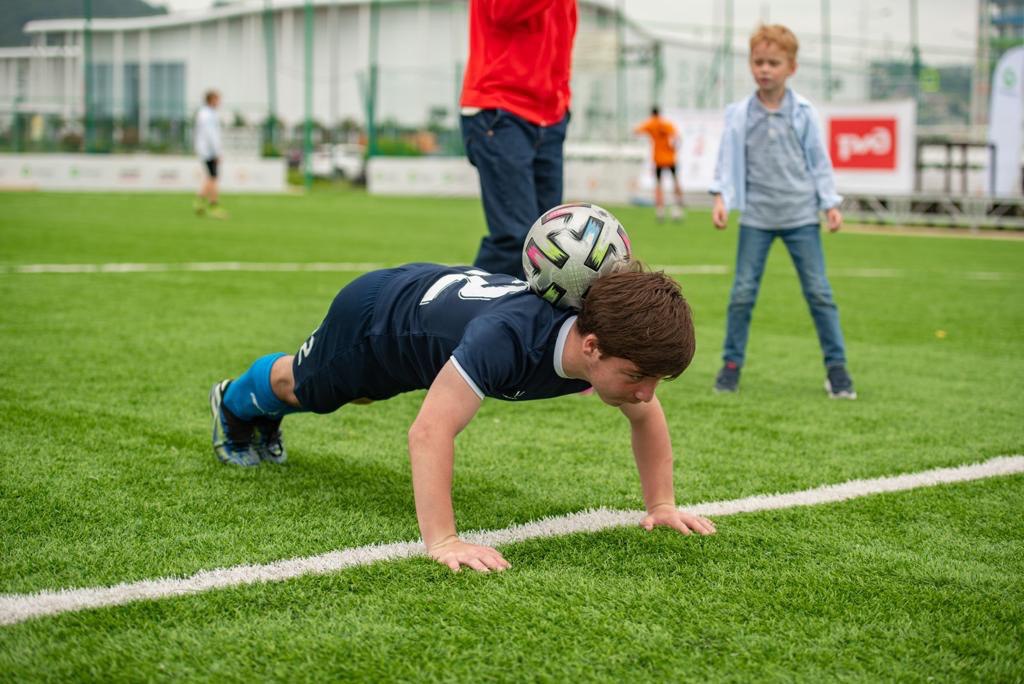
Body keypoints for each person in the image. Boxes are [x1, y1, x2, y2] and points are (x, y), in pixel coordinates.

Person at [208, 263, 716, 572]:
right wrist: (444, 541)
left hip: (428, 323)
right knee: (307, 388)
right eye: (637, 378)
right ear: (591, 347)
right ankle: (233, 402)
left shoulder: (612, 344)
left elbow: (646, 419)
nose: (646, 394)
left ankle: (261, 412)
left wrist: (663, 503)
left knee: (359, 397)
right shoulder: (507, 341)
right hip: (378, 319)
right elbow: (429, 432)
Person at [709, 24, 856, 399]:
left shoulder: (803, 113)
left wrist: (830, 203)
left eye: (773, 62)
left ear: (791, 67)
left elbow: (819, 161)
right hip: (756, 217)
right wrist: (721, 198)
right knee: (742, 293)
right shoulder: (740, 114)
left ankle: (837, 370)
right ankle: (730, 366)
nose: (765, 69)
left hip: (801, 217)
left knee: (819, 292)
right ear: (750, 65)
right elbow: (727, 161)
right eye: (758, 62)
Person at [459, 0, 577, 279]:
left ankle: (526, 322)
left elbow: (562, 40)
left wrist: (561, 102)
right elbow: (503, 10)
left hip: (549, 115)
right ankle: (461, 314)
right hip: (500, 108)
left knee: (548, 244)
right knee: (517, 239)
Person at [634, 107, 685, 222]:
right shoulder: (666, 124)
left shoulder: (651, 124)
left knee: (659, 185)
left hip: (658, 159)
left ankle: (660, 211)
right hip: (670, 158)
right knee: (675, 182)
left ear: (652, 114)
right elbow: (677, 137)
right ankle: (677, 208)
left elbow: (636, 130)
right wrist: (673, 148)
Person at [193, 90, 227, 219]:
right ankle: (214, 207)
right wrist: (217, 152)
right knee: (213, 179)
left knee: (211, 178)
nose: (219, 102)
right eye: (217, 99)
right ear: (211, 100)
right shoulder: (207, 115)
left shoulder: (206, 113)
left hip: (206, 150)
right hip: (209, 151)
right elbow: (210, 135)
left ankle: (199, 202)